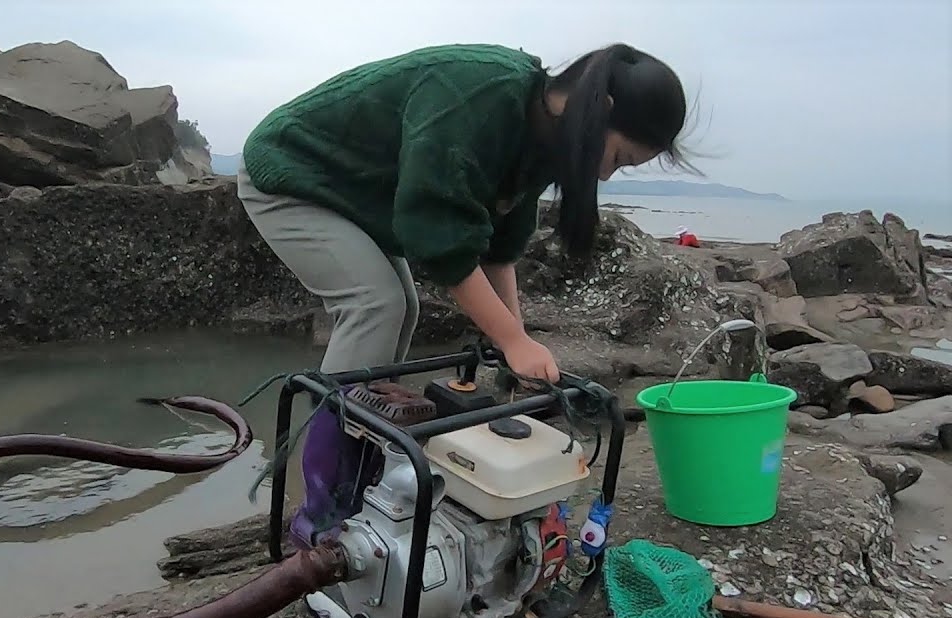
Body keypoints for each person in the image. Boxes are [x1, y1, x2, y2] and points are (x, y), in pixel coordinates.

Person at [236, 42, 691, 547]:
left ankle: (361, 479)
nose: (605, 174)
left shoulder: (544, 131)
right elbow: (443, 244)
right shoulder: (479, 97)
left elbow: (498, 248)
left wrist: (511, 343)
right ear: (601, 110)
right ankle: (318, 507)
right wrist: (513, 339)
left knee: (402, 308)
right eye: (620, 158)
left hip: (349, 194)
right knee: (375, 305)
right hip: (291, 173)